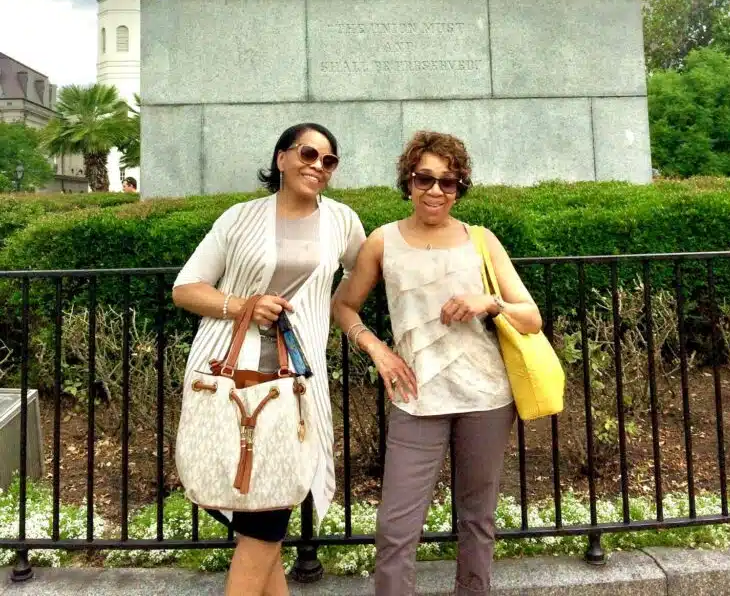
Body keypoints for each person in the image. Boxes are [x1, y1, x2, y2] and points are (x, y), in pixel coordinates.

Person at [332, 131, 542, 596]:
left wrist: (487, 301)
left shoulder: (482, 241)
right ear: (408, 181)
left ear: (459, 187)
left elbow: (531, 317)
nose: (435, 190)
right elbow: (343, 306)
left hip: (486, 398)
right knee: (395, 529)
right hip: (415, 397)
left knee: (477, 520)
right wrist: (378, 350)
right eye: (425, 178)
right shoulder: (383, 241)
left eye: (448, 182)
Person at [173, 123, 365, 596]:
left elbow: (364, 273)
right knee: (261, 523)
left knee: (266, 518)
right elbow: (185, 288)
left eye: (328, 160)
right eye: (307, 153)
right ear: (281, 158)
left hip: (293, 382)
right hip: (229, 374)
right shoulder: (239, 218)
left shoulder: (342, 221)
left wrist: (333, 311)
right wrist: (243, 305)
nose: (317, 166)